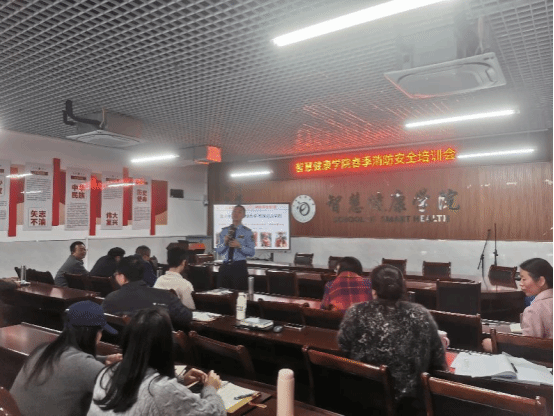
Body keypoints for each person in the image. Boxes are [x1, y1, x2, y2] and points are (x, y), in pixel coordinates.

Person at [338, 264, 445, 416]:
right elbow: (438, 360)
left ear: (373, 289)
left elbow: (343, 348)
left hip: (362, 401)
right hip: (410, 407)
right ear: (402, 287)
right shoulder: (421, 314)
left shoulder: (355, 312)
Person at [88, 307, 226, 416]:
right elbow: (213, 413)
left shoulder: (107, 372)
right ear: (165, 347)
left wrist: (180, 381)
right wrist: (210, 388)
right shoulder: (160, 389)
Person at [10, 301, 122, 416]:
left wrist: (104, 359)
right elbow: (121, 395)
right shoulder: (85, 366)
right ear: (91, 333)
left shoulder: (43, 350)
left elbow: (71, 361)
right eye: (100, 331)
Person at [101, 255, 192, 330]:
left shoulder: (110, 299)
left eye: (116, 274)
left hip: (122, 345)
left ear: (122, 277)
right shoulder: (165, 296)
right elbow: (186, 317)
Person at [483, 258, 552, 351]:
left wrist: (495, 346)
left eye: (524, 279)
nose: (521, 284)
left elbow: (527, 349)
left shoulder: (534, 310)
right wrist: (505, 328)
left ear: (541, 281)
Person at [215, 205, 255, 290]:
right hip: (225, 266)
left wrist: (240, 246)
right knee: (222, 293)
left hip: (239, 266)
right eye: (234, 212)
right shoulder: (224, 231)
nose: (236, 214)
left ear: (243, 215)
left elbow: (252, 252)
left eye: (239, 212)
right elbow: (219, 250)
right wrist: (225, 243)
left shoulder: (247, 232)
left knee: (239, 294)